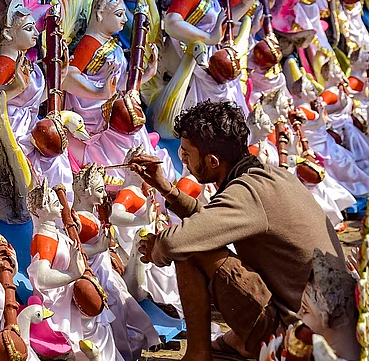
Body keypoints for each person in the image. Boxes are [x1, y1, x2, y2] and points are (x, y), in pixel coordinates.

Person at [132, 100, 343, 361]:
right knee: (196, 238)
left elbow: (175, 243)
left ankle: (198, 354)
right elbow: (211, 222)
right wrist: (168, 190)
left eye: (186, 153)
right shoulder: (270, 176)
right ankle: (241, 342)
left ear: (212, 161)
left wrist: (156, 249)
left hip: (300, 338)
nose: (183, 160)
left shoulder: (247, 193)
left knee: (190, 248)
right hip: (326, 326)